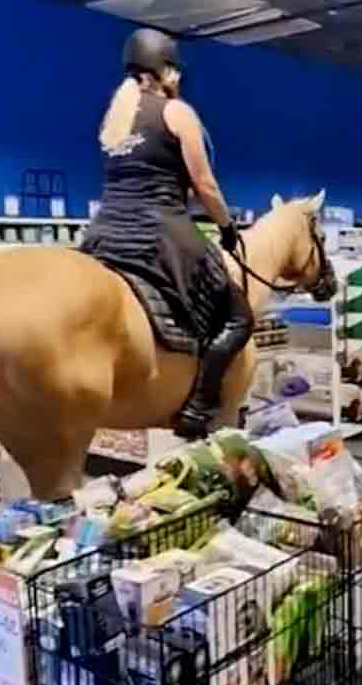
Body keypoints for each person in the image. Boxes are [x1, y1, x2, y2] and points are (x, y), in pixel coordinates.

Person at [80, 28, 253, 438]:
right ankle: (197, 407)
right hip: (160, 231)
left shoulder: (114, 121)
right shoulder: (177, 112)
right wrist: (226, 227)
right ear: (165, 70)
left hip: (104, 234)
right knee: (238, 318)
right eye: (175, 69)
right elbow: (204, 185)